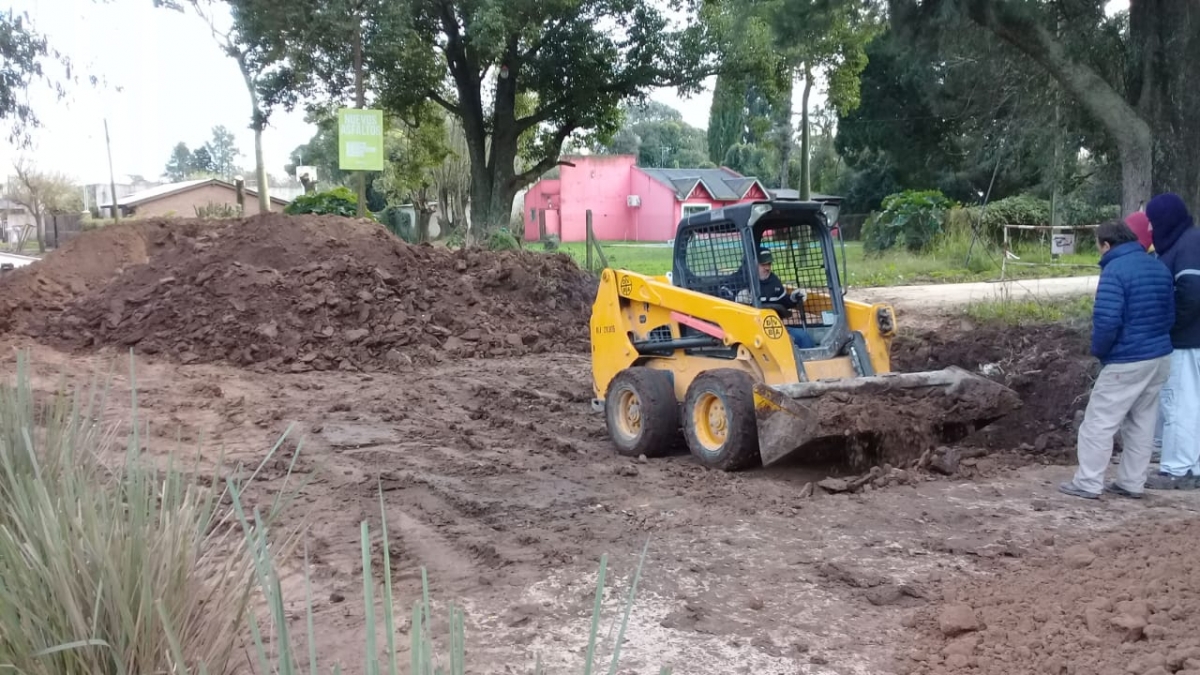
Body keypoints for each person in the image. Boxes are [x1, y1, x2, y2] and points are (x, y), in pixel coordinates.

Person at [1059, 220, 1175, 500]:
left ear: (1107, 245)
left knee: (1098, 422)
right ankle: (1132, 482)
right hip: (1160, 357)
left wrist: (1101, 351)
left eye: (1099, 247)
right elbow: (1171, 314)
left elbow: (1107, 321)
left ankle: (1088, 482)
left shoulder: (1114, 271)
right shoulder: (1158, 266)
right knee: (1142, 423)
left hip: (1127, 358)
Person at [1144, 193, 1200, 490]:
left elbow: (1191, 292)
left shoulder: (1188, 245)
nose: (1151, 229)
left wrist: (1170, 326)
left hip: (1186, 341)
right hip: (1192, 339)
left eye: (1153, 222)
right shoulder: (1189, 241)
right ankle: (1193, 466)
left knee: (1179, 403)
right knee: (1193, 403)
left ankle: (1177, 469)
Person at [736, 248, 816, 348]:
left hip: (773, 328)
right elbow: (723, 298)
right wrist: (738, 301)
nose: (767, 268)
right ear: (752, 265)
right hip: (750, 331)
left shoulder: (774, 281)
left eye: (769, 264)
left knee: (803, 337)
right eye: (763, 264)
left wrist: (793, 298)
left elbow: (783, 302)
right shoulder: (740, 280)